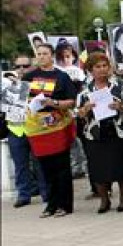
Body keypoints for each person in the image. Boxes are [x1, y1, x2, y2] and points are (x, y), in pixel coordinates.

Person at [22, 43, 79, 217]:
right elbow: (19, 99)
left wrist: (53, 103)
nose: (41, 56)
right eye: (38, 54)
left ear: (52, 55)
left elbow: (72, 101)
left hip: (57, 126)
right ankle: (51, 205)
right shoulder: (29, 77)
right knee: (45, 168)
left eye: (45, 53)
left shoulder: (61, 77)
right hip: (37, 129)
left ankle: (65, 205)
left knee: (61, 167)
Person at [75, 52, 123, 213]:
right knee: (98, 168)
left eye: (105, 66)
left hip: (118, 130)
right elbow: (78, 114)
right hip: (95, 133)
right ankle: (104, 199)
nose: (102, 70)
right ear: (90, 70)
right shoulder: (85, 90)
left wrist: (121, 106)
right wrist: (86, 108)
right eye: (98, 67)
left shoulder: (120, 85)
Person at [4, 54, 48, 207]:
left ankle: (46, 193)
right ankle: (24, 195)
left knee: (40, 163)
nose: (21, 69)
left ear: (32, 66)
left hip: (36, 129)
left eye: (25, 66)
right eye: (18, 66)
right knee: (20, 164)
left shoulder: (38, 83)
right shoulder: (7, 85)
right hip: (16, 129)